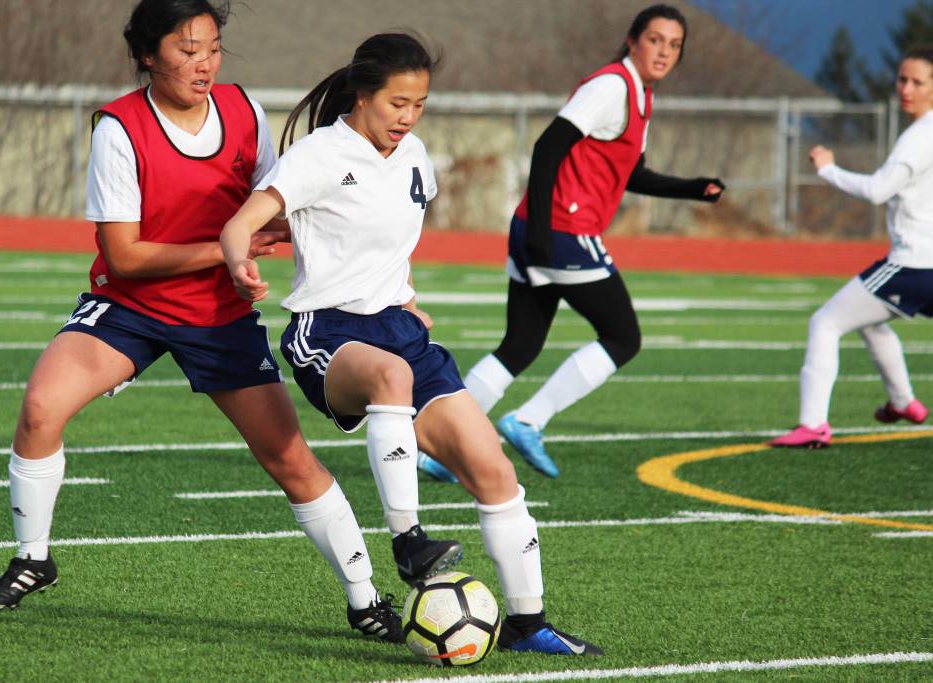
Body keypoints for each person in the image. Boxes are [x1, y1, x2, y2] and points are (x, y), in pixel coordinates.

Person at [0, 0, 405, 643]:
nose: (203, 63)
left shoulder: (243, 112)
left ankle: (366, 598)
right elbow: (125, 255)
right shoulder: (119, 128)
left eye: (212, 47)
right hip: (130, 306)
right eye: (186, 49)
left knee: (290, 459)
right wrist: (227, 250)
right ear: (148, 55)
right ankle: (33, 558)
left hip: (217, 315)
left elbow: (277, 209)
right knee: (40, 409)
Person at [220, 32, 603, 656]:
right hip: (329, 331)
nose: (407, 116)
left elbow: (388, 239)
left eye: (419, 104)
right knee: (390, 379)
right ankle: (408, 541)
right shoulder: (320, 154)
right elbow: (239, 224)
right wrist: (240, 265)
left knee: (496, 473)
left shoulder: (416, 154)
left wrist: (404, 291)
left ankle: (529, 624)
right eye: (397, 102)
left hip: (399, 331)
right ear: (363, 94)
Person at [455, 4, 724, 479]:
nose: (664, 51)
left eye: (674, 45)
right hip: (561, 231)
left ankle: (438, 447)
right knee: (624, 337)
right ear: (633, 39)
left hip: (542, 228)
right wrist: (541, 232)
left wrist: (691, 188)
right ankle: (526, 420)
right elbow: (548, 146)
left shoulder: (640, 95)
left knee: (520, 345)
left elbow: (631, 174)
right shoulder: (611, 86)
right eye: (655, 39)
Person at [771, 46, 933, 449]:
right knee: (869, 319)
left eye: (917, 82)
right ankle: (903, 403)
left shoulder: (919, 136)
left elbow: (878, 190)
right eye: (902, 79)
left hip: (914, 264)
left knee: (825, 322)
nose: (906, 88)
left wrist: (828, 169)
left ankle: (813, 425)